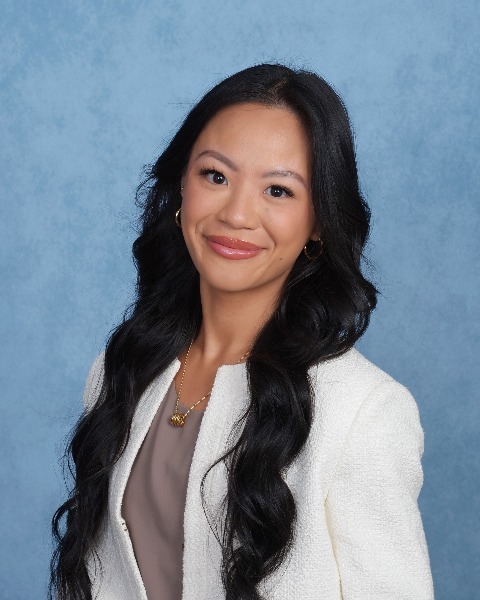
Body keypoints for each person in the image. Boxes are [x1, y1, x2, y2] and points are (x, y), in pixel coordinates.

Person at [49, 63, 435, 600]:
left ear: (319, 223)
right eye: (215, 176)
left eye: (278, 190)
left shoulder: (363, 410)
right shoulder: (121, 368)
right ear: (181, 186)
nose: (236, 214)